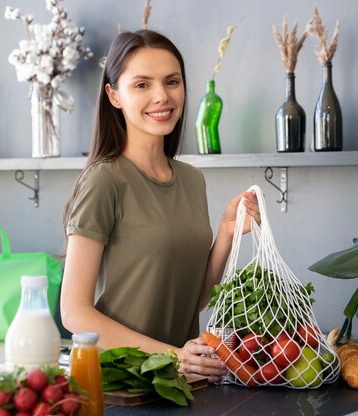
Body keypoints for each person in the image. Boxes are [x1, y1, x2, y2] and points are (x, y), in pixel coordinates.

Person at [60, 29, 260, 382]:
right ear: (114, 95)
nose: (161, 96)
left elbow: (190, 298)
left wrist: (227, 232)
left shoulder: (192, 179)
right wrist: (172, 354)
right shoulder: (104, 180)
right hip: (120, 384)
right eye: (141, 85)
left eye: (172, 81)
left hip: (180, 383)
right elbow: (74, 313)